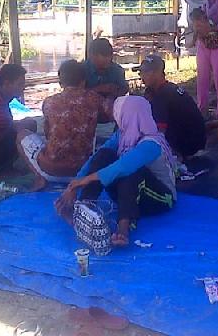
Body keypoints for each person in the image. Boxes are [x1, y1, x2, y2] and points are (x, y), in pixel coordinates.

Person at [54, 96, 178, 247]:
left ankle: (123, 227)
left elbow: (123, 167)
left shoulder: (152, 144)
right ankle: (85, 207)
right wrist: (73, 185)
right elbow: (98, 157)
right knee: (105, 155)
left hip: (160, 199)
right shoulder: (123, 134)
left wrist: (84, 181)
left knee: (131, 169)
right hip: (131, 193)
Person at [17, 60, 110, 190]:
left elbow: (48, 135)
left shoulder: (49, 102)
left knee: (21, 135)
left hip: (51, 170)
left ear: (61, 82)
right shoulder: (94, 99)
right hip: (83, 172)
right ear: (83, 81)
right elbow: (110, 115)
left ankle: (39, 177)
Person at [137, 54, 206, 159]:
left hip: (188, 146)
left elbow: (159, 134)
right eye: (140, 72)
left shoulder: (163, 95)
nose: (141, 76)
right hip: (195, 139)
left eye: (145, 72)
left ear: (158, 73)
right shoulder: (165, 89)